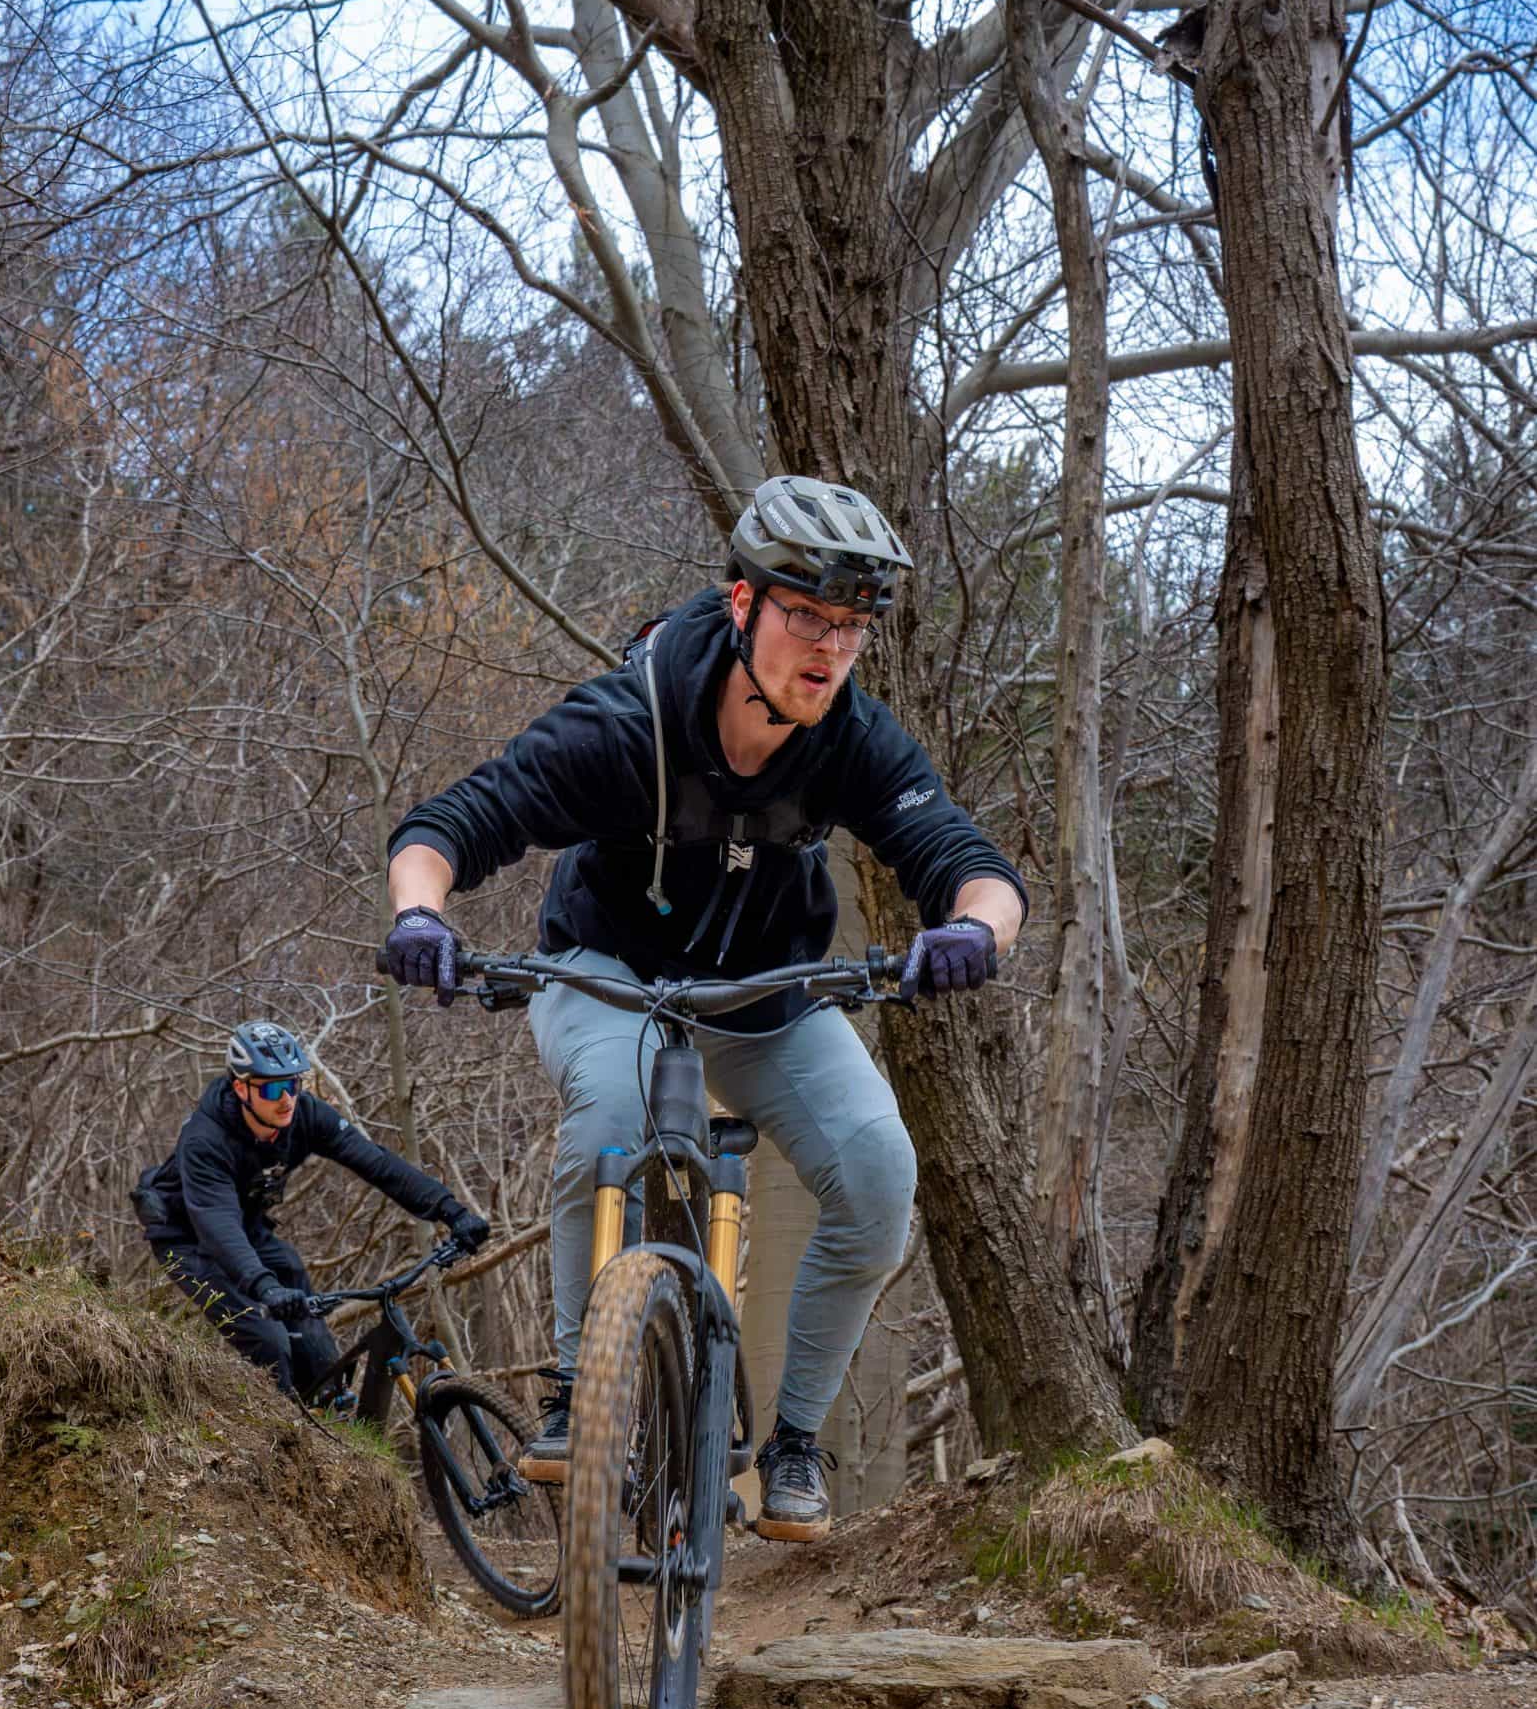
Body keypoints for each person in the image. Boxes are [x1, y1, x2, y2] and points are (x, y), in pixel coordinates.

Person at [383, 476, 1027, 1538]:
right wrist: (420, 917)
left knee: (877, 1172)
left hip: (764, 991)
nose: (830, 648)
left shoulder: (852, 736)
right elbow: (454, 822)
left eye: (852, 627)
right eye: (806, 616)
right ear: (742, 605)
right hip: (606, 972)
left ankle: (794, 1440)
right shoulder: (629, 717)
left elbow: (972, 865)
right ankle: (578, 1389)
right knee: (614, 1107)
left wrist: (972, 932)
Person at [133, 1020, 488, 1398]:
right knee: (269, 1341)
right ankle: (281, 1426)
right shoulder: (205, 1140)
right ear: (240, 1088)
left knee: (315, 1346)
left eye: (293, 1084)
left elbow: (378, 1164)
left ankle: (327, 1413)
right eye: (273, 1088)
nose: (287, 1098)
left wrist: (450, 1210)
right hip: (186, 1238)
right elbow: (217, 1224)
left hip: (245, 1226)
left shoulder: (304, 1114)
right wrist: (264, 1286)